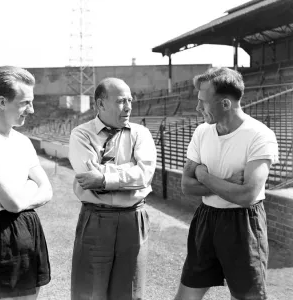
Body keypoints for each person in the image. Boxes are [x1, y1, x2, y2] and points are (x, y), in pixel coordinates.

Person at [174, 67, 278, 300]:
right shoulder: (202, 132)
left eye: (203, 102)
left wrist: (204, 177)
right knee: (185, 297)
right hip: (206, 218)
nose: (198, 108)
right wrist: (226, 184)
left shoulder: (260, 136)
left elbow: (247, 196)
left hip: (243, 224)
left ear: (225, 104)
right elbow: (186, 185)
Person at [69, 77, 157, 300]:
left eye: (130, 100)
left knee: (129, 292)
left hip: (132, 218)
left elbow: (144, 175)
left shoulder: (140, 134)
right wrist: (128, 171)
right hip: (96, 218)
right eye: (120, 101)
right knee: (89, 291)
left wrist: (104, 178)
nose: (128, 107)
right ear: (100, 104)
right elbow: (87, 177)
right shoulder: (81, 134)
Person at [0, 66, 53, 299]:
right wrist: (28, 188)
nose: (31, 109)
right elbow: (12, 202)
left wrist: (19, 196)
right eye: (24, 103)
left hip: (28, 232)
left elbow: (46, 190)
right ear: (2, 102)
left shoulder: (23, 141)